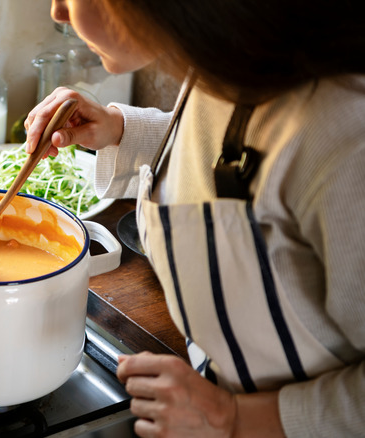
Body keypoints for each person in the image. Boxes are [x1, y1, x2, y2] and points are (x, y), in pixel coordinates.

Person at [24, 0, 365, 437]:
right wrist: (116, 130)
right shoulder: (229, 61)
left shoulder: (343, 137)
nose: (58, 13)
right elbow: (231, 157)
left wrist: (232, 418)